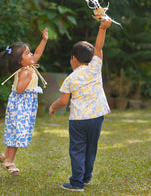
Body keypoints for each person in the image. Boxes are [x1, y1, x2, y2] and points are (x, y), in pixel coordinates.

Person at [49, 19, 111, 191]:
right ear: (91, 58)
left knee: (77, 150)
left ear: (74, 59)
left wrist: (53, 107)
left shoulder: (70, 78)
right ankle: (86, 178)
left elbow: (63, 101)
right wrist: (102, 28)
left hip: (78, 120)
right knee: (91, 148)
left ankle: (76, 183)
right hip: (97, 117)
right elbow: (99, 47)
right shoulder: (95, 68)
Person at [0, 28, 48, 175]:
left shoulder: (28, 66)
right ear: (20, 61)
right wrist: (29, 77)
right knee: (18, 132)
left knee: (16, 131)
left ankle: (6, 155)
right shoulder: (25, 71)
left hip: (26, 106)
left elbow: (38, 53)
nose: (31, 54)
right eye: (27, 53)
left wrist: (44, 40)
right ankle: (9, 162)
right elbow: (19, 89)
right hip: (20, 105)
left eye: (30, 52)